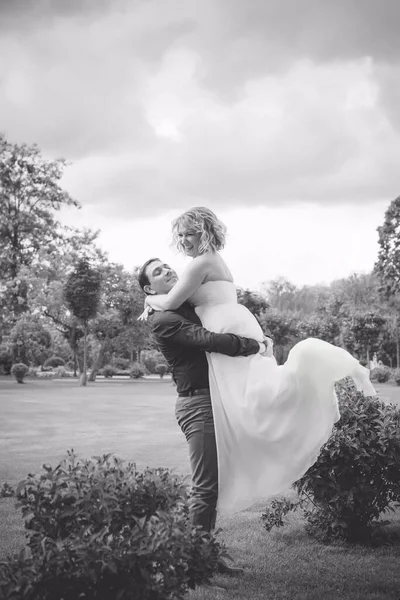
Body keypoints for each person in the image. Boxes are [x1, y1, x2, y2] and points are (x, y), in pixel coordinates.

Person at [140, 207, 377, 515]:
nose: (183, 241)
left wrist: (149, 300)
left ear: (205, 233)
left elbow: (173, 303)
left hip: (229, 329)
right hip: (224, 338)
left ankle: (295, 409)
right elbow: (184, 317)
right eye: (180, 235)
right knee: (254, 400)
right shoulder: (186, 292)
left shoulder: (201, 263)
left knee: (256, 400)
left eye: (190, 234)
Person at [137, 257, 270, 537]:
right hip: (197, 405)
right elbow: (209, 340)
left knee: (213, 484)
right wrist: (253, 345)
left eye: (166, 266)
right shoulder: (165, 320)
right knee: (205, 486)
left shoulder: (184, 305)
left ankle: (206, 560)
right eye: (157, 273)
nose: (167, 270)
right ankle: (195, 569)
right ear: (149, 290)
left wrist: (258, 336)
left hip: (215, 400)